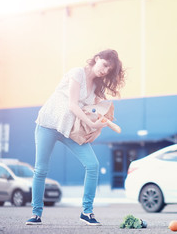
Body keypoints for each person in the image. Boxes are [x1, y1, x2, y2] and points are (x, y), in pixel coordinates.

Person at [25, 49, 126, 226]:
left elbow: (100, 112)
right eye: (104, 65)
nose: (105, 71)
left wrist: (97, 130)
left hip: (69, 129)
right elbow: (72, 104)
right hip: (47, 124)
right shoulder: (77, 73)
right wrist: (91, 123)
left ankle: (87, 211)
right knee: (41, 169)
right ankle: (36, 214)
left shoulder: (96, 86)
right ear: (97, 59)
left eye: (109, 70)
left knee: (92, 165)